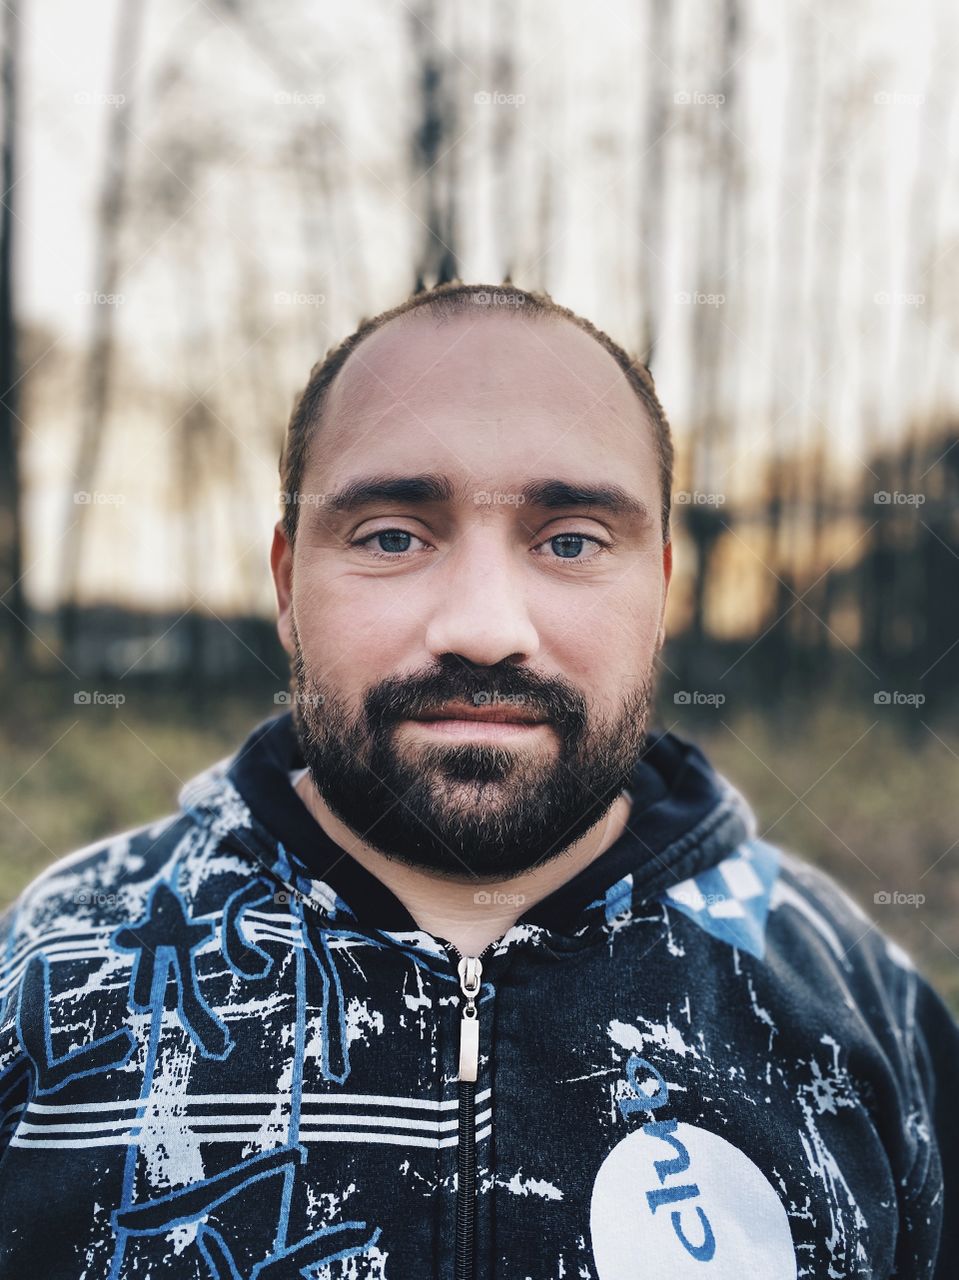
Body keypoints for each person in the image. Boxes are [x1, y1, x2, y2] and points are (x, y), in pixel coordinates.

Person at [0, 281, 955, 1279]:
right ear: (286, 585)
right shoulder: (49, 979)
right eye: (392, 535)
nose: (484, 625)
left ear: (661, 590)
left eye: (571, 539)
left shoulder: (852, 1006)